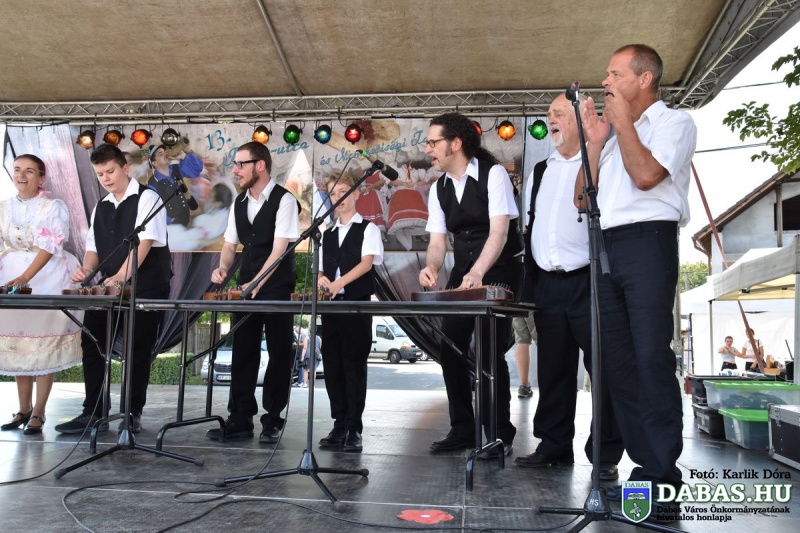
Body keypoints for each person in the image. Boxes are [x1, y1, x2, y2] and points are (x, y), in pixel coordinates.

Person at [577, 44, 696, 518]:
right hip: (608, 245)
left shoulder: (674, 123)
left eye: (615, 73)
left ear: (645, 79)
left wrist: (623, 124)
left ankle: (663, 479)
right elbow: (583, 201)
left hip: (649, 242)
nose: (605, 82)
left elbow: (646, 176)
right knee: (619, 365)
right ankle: (643, 471)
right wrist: (594, 141)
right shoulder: (611, 138)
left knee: (650, 358)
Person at [514, 95, 624, 479]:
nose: (551, 119)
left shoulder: (602, 160)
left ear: (579, 120)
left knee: (603, 367)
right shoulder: (540, 170)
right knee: (553, 368)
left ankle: (605, 454)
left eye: (558, 113)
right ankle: (554, 445)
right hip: (548, 283)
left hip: (590, 280)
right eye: (549, 114)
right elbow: (531, 223)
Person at [419, 112, 522, 457]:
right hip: (464, 271)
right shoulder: (439, 188)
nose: (428, 149)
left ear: (455, 143)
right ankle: (462, 428)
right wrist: (432, 267)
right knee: (451, 346)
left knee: (491, 349)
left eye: (433, 142)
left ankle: (499, 433)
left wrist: (478, 272)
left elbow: (500, 232)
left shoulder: (493, 175)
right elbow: (437, 242)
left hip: (500, 268)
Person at [55, 144, 171, 434]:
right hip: (110, 290)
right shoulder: (102, 205)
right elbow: (94, 247)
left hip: (146, 288)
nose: (105, 178)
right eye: (100, 174)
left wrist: (121, 276)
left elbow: (144, 244)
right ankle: (93, 411)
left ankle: (131, 413)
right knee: (93, 342)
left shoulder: (148, 197)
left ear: (125, 168)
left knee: (137, 349)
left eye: (110, 171)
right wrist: (87, 270)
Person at [207, 141, 300, 444]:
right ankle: (240, 419)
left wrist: (257, 284)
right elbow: (230, 244)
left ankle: (273, 419)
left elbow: (279, 250)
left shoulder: (285, 200)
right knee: (243, 351)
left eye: (240, 164)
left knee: (279, 352)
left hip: (276, 286)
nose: (235, 170)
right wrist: (223, 268)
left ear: (260, 165)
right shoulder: (239, 202)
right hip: (246, 285)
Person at [0, 155, 83, 435]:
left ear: (41, 178)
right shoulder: (3, 207)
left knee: (43, 345)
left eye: (29, 171)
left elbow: (50, 246)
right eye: (17, 170)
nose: (22, 175)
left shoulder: (53, 206)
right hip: (11, 275)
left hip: (46, 276)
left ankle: (39, 411)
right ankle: (22, 409)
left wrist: (26, 277)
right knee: (18, 344)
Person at [317, 172, 383, 453]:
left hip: (356, 304)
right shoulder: (326, 233)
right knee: (332, 365)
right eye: (333, 194)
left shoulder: (368, 229)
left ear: (356, 194)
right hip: (331, 307)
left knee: (353, 365)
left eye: (343, 191)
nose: (338, 198)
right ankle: (339, 424)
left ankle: (354, 428)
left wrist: (339, 283)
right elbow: (321, 269)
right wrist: (322, 280)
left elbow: (367, 263)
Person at [147, 144, 202, 227]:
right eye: (160, 154)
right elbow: (154, 213)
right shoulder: (152, 185)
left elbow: (196, 171)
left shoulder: (175, 169)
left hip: (188, 223)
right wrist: (170, 222)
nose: (165, 154)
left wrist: (183, 156)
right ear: (154, 163)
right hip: (172, 229)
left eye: (165, 152)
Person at [512, 313, 535, 398]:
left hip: (517, 307)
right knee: (543, 339)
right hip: (535, 306)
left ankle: (524, 386)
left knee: (521, 341)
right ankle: (550, 384)